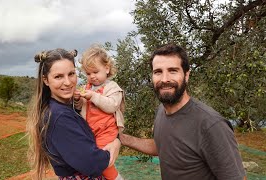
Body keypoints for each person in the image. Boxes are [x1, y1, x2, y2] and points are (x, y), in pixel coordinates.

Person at [119, 43, 247, 180]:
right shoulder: (162, 111)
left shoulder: (210, 125)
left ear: (186, 75)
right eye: (158, 72)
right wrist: (123, 138)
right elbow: (163, 145)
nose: (164, 79)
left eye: (173, 71)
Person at [27, 48, 121, 180]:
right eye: (58, 76)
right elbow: (93, 163)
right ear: (46, 80)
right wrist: (116, 144)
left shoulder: (63, 107)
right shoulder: (60, 117)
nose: (68, 82)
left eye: (71, 74)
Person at [73, 45, 125, 180]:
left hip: (106, 131)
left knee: (103, 160)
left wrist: (93, 96)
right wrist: (78, 100)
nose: (92, 76)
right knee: (92, 160)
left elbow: (112, 106)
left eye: (95, 72)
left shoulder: (112, 87)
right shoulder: (86, 88)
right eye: (88, 73)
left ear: (107, 69)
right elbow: (80, 109)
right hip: (91, 132)